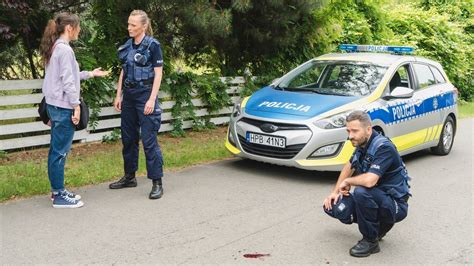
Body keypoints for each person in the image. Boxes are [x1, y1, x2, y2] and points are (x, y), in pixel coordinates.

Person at [40, 12, 108, 208]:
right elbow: (68, 82)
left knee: (56, 150)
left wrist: (90, 74)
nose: (79, 31)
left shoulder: (56, 48)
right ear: (70, 28)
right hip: (63, 107)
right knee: (59, 152)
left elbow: (67, 75)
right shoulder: (65, 50)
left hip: (55, 106)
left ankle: (57, 191)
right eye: (78, 28)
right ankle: (59, 195)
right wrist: (76, 105)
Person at [323, 110, 411, 257]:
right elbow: (349, 166)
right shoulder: (362, 144)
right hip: (377, 198)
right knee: (334, 206)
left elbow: (370, 181)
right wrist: (335, 191)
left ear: (368, 129)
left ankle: (370, 241)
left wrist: (348, 181)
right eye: (348, 131)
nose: (350, 136)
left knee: (361, 192)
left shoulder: (384, 147)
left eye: (354, 131)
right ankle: (377, 228)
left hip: (395, 204)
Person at [109, 10, 164, 200]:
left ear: (143, 26)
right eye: (128, 24)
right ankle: (129, 177)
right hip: (129, 97)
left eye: (133, 25)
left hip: (145, 95)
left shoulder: (153, 45)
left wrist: (151, 99)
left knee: (149, 141)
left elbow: (158, 74)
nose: (129, 28)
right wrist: (119, 95)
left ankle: (157, 182)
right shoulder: (127, 46)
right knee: (128, 138)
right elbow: (124, 72)